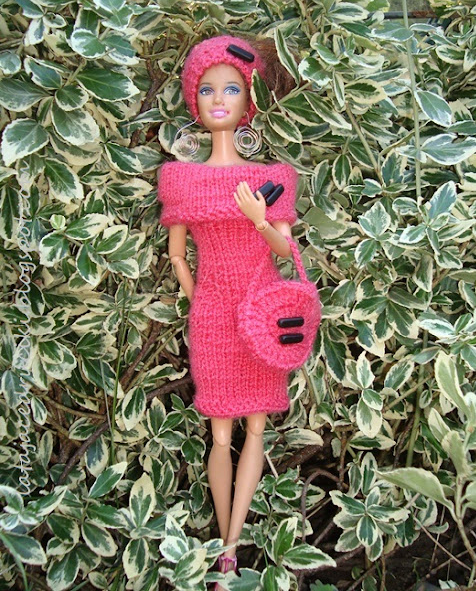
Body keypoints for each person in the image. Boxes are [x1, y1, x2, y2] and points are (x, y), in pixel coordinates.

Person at [157, 35, 298, 587]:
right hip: (214, 317)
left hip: (263, 313)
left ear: (249, 100)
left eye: (232, 89)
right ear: (194, 100)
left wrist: (259, 219)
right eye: (209, 89)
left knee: (255, 427)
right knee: (220, 432)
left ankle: (232, 547)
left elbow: (285, 252)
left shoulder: (271, 179)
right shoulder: (182, 179)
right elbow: (177, 255)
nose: (220, 100)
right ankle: (226, 547)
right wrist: (203, 302)